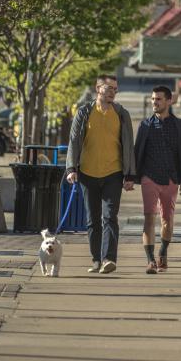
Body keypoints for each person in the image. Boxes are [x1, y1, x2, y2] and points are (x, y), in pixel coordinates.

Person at [65, 75, 135, 274]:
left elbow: (128, 146)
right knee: (92, 220)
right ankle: (96, 259)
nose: (113, 92)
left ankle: (108, 259)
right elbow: (74, 141)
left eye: (115, 89)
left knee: (110, 216)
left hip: (113, 172)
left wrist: (130, 175)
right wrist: (71, 169)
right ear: (98, 88)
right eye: (109, 88)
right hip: (87, 173)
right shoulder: (84, 112)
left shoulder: (122, 114)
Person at [132, 85, 181, 274]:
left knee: (167, 219)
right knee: (149, 217)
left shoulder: (179, 126)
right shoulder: (145, 125)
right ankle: (150, 261)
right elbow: (137, 152)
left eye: (158, 99)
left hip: (171, 179)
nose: (154, 102)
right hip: (149, 177)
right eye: (152, 99)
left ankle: (163, 252)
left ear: (169, 101)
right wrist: (131, 177)